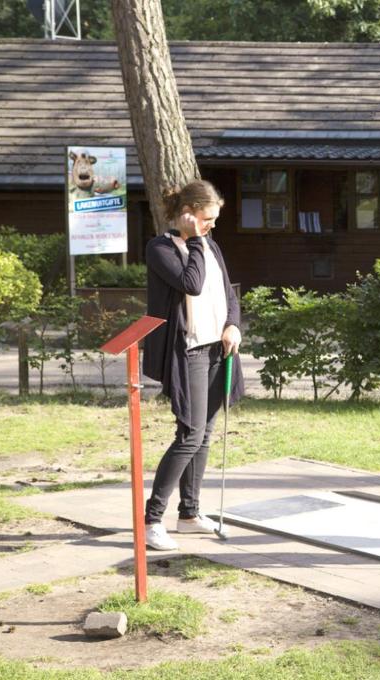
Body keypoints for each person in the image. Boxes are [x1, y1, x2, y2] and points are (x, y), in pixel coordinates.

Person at [142, 179, 244, 551]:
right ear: (187, 215)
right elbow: (193, 283)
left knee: (205, 433)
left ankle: (189, 514)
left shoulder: (211, 246)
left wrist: (233, 323)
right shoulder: (161, 248)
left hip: (218, 348)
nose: (211, 226)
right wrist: (195, 240)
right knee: (189, 435)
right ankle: (152, 520)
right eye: (206, 219)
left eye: (214, 221)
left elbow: (228, 294)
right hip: (188, 352)